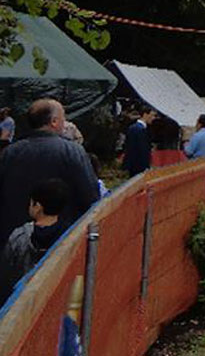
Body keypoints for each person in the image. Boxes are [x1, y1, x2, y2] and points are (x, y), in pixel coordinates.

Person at [0, 99, 100, 253]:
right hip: (59, 243)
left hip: (13, 243)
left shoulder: (9, 153)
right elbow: (91, 197)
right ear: (54, 122)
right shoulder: (72, 152)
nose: (65, 123)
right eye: (63, 118)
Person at [1, 178, 70, 300]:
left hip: (22, 298)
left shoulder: (20, 235)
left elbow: (7, 269)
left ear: (38, 206)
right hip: (56, 297)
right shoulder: (68, 234)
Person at [123, 106, 155, 176]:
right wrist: (146, 166)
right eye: (152, 115)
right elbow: (142, 149)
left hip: (133, 164)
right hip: (138, 165)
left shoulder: (133, 127)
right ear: (145, 115)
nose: (153, 118)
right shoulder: (140, 129)